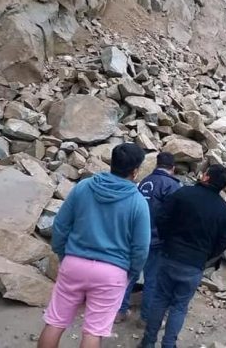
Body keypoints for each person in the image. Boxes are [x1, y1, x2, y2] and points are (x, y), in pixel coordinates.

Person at [37, 143, 150, 348]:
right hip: (112, 272)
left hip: (74, 262)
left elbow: (61, 225)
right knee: (93, 332)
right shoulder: (138, 202)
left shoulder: (83, 187)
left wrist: (64, 254)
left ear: (112, 163)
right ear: (135, 171)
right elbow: (141, 248)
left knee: (55, 321)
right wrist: (130, 273)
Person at [140, 164, 226, 348]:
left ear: (206, 177)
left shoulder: (183, 194)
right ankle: (169, 344)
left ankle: (148, 342)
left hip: (170, 255)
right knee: (179, 307)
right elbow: (223, 242)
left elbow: (162, 218)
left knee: (160, 299)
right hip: (195, 264)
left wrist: (168, 240)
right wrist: (205, 257)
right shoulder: (224, 210)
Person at [116, 152, 181, 324]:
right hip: (157, 240)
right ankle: (146, 318)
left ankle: (119, 311)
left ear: (156, 165)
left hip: (136, 236)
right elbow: (173, 216)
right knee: (153, 279)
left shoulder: (144, 182)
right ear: (172, 168)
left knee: (130, 276)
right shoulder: (172, 186)